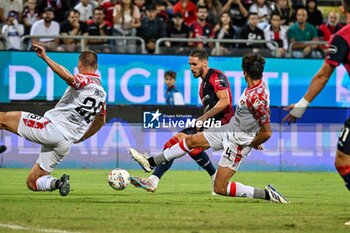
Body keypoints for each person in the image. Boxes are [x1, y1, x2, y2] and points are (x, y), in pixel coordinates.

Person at [130, 54, 289, 203]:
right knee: (190, 141)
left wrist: (252, 141)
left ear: (244, 72)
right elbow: (261, 115)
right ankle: (151, 163)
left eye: (194, 63)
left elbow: (267, 131)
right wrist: (254, 133)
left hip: (238, 142)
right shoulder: (257, 87)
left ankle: (267, 194)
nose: (191, 67)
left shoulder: (255, 96)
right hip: (229, 129)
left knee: (219, 188)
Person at [0, 43, 106, 196]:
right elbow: (101, 121)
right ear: (96, 67)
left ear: (80, 64)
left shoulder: (85, 80)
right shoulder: (102, 94)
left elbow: (68, 77)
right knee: (33, 181)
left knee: (2, 118)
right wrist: (82, 137)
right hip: (65, 144)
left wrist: (45, 57)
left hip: (51, 129)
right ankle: (58, 182)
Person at [130, 49, 234, 193]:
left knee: (184, 144)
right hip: (210, 124)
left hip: (222, 125)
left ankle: (151, 166)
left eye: (194, 64)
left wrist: (203, 118)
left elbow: (225, 101)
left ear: (204, 63)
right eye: (190, 64)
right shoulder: (203, 85)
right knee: (179, 146)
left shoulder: (216, 76)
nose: (191, 68)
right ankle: (153, 180)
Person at [283, 0, 350, 212]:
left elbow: (323, 75)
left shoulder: (342, 36)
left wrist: (302, 105)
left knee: (343, 161)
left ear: (342, 8)